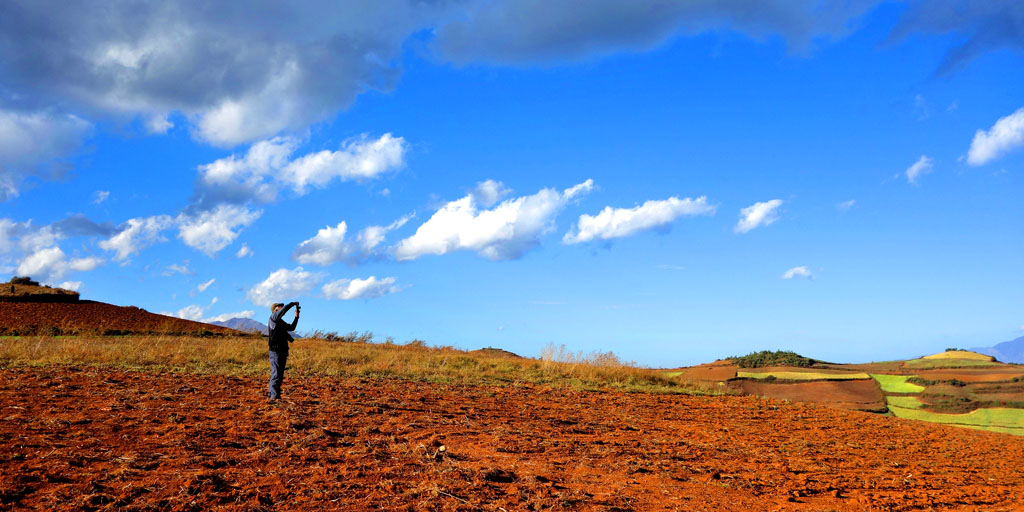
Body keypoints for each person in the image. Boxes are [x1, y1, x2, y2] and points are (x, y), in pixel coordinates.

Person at [267, 301, 300, 402]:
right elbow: (285, 310)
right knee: (276, 373)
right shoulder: (273, 317)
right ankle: (273, 397)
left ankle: (275, 395)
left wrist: (296, 317)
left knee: (279, 374)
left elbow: (291, 328)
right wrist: (292, 303)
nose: (282, 307)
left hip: (282, 350)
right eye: (279, 306)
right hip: (275, 351)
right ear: (275, 309)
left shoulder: (279, 322)